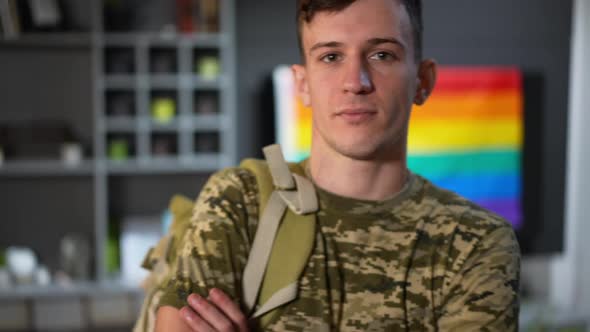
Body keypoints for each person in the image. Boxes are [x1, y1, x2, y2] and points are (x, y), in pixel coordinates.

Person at [153, 0, 521, 330]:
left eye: (382, 55)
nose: (355, 82)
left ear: (423, 81)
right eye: (330, 57)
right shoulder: (240, 200)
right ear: (303, 84)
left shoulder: (477, 242)